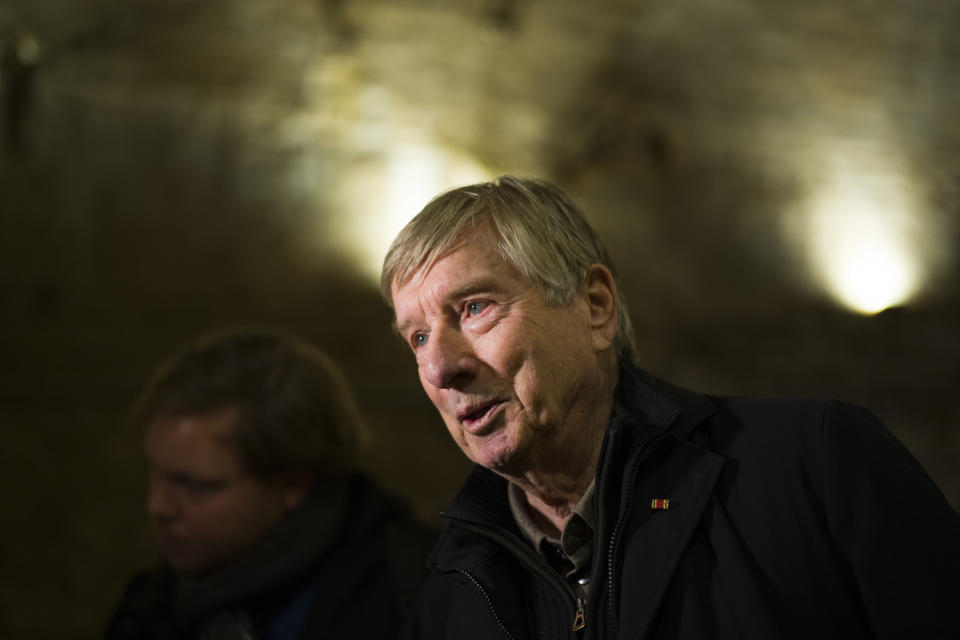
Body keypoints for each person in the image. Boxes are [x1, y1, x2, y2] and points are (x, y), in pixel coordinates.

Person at [381, 176, 960, 639]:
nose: (438, 368)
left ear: (596, 308)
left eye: (475, 307)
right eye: (418, 338)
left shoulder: (815, 468)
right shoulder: (451, 585)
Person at [105, 329, 436, 640]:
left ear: (292, 485)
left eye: (195, 485)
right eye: (157, 473)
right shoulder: (150, 607)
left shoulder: (421, 594)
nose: (158, 507)